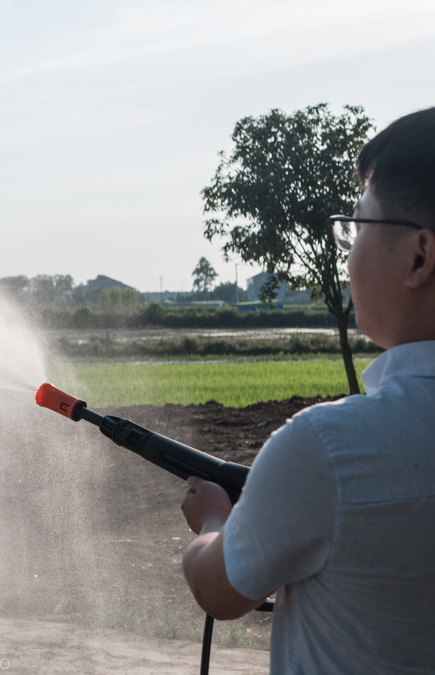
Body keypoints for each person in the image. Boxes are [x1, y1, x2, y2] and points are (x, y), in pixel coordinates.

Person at [180, 107, 435, 673]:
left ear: (420, 255)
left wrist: (215, 519)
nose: (348, 254)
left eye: (356, 228)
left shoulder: (328, 449)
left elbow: (219, 590)